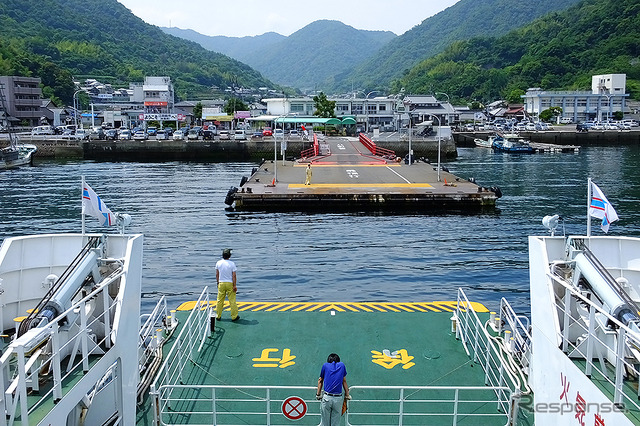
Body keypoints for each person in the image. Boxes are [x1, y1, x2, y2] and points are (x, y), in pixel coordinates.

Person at [316, 353, 350, 426]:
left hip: (327, 398)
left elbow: (320, 380)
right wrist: (347, 394)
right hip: (338, 399)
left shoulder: (325, 366)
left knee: (325, 423)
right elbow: (344, 381)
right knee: (336, 423)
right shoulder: (342, 365)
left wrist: (318, 394)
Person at [215, 248, 239, 321]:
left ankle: (218, 315)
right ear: (229, 255)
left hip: (221, 283)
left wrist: (218, 282)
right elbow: (234, 275)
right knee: (232, 301)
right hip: (230, 283)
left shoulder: (218, 263)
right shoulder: (232, 264)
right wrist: (234, 285)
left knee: (219, 300)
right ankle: (234, 316)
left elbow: (217, 274)